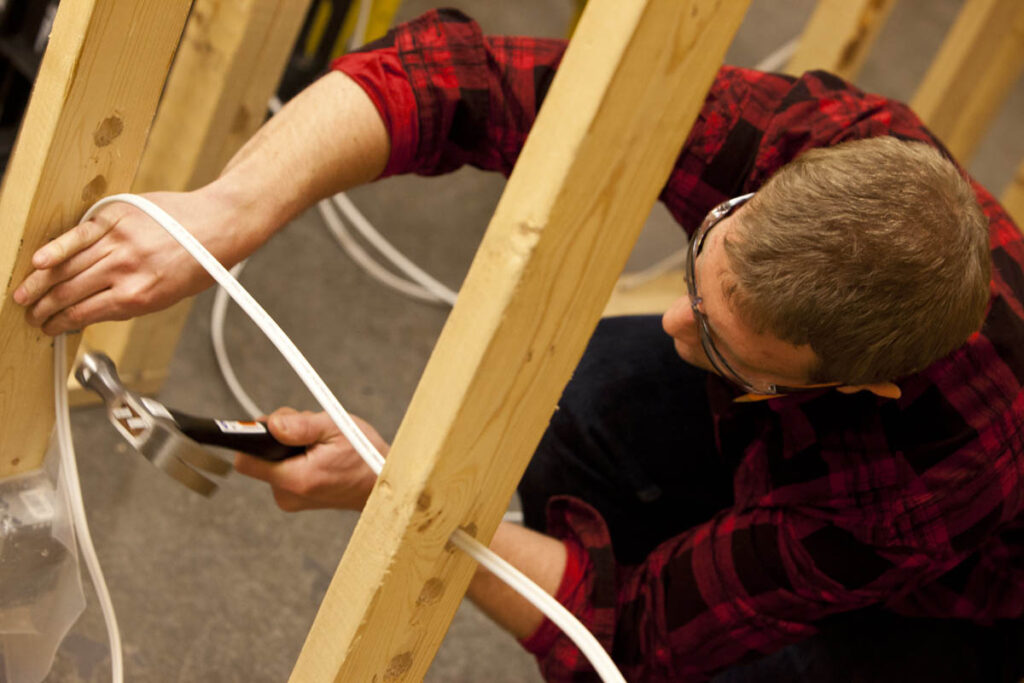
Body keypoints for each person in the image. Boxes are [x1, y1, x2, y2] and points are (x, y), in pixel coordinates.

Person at [13, 8, 1024, 682]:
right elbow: (463, 80)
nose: (677, 323)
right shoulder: (830, 141)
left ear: (858, 386)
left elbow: (636, 629)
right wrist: (228, 210)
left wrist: (397, 493)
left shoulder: (936, 473)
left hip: (940, 611)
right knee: (602, 391)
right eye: (705, 264)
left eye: (720, 343)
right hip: (812, 445)